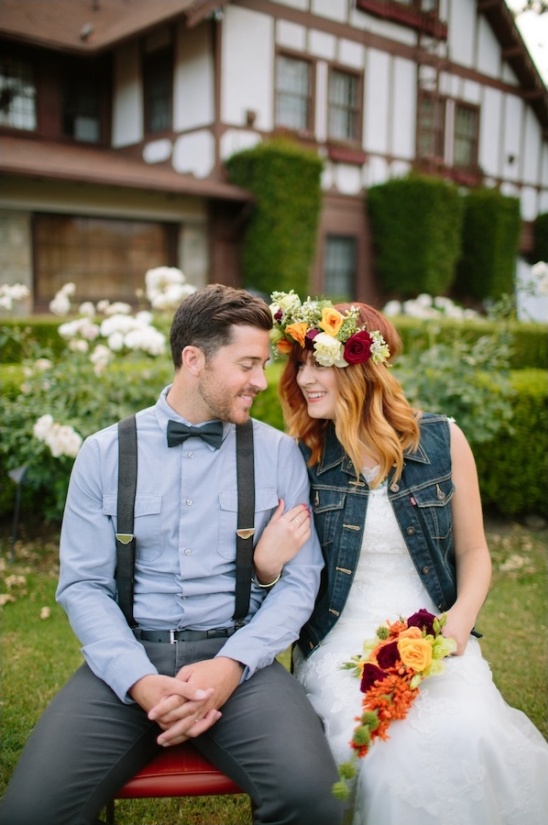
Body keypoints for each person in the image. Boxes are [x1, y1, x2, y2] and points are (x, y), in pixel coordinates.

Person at [0, 284, 345, 825]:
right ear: (194, 360)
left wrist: (231, 667)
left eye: (264, 364)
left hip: (240, 666)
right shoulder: (104, 453)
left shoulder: (279, 455)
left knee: (314, 799)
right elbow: (84, 586)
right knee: (29, 813)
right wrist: (137, 679)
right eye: (248, 364)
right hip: (124, 665)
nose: (262, 380)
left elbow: (301, 584)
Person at [269, 290, 548, 825]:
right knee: (392, 756)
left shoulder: (443, 441)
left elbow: (473, 551)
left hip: (435, 634)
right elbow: (281, 573)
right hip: (339, 644)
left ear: (359, 367)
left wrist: (456, 629)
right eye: (297, 364)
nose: (303, 378)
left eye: (316, 363)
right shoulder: (302, 455)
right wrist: (267, 558)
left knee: (474, 731)